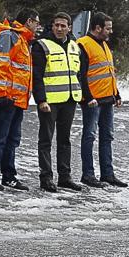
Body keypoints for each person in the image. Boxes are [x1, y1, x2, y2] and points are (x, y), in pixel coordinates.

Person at [0, 9, 40, 191]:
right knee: (0, 138)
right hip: (5, 99)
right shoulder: (8, 36)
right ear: (29, 21)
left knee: (12, 139)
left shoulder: (23, 39)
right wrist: (2, 94)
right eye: (36, 22)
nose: (38, 26)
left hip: (16, 100)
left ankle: (8, 176)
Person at [31, 12, 84, 193]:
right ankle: (46, 177)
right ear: (51, 26)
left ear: (69, 27)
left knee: (65, 140)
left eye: (63, 26)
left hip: (69, 100)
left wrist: (81, 94)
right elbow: (36, 76)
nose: (60, 28)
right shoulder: (41, 45)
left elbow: (79, 74)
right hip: (49, 102)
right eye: (56, 25)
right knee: (45, 140)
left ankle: (65, 177)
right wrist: (40, 100)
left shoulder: (75, 47)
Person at [77, 13, 127, 188]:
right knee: (89, 136)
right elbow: (80, 74)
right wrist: (88, 97)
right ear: (97, 28)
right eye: (108, 28)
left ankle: (107, 174)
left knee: (107, 137)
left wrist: (116, 94)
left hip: (107, 99)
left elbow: (109, 72)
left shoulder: (104, 45)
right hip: (92, 101)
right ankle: (88, 175)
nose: (110, 31)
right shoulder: (83, 44)